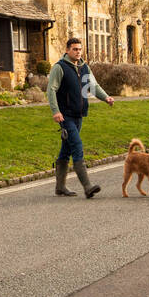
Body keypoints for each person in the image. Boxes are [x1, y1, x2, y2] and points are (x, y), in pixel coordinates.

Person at [47, 36, 115, 198]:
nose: (78, 52)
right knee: (77, 146)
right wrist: (56, 111)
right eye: (75, 49)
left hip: (79, 115)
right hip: (66, 116)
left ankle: (60, 187)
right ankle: (87, 186)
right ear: (67, 50)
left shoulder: (84, 68)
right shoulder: (60, 67)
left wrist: (105, 97)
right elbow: (51, 89)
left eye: (80, 49)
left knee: (66, 149)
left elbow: (93, 86)